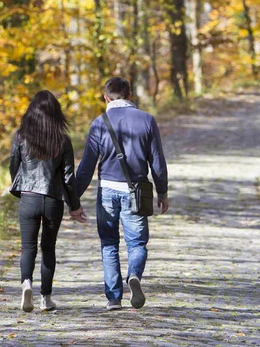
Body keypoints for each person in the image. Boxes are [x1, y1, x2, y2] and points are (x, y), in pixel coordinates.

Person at [76, 77, 169, 310]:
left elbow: (86, 166)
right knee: (137, 243)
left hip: (107, 189)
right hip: (136, 191)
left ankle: (113, 298)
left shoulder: (99, 123)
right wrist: (162, 192)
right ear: (130, 96)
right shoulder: (147, 120)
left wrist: (73, 198)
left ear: (106, 98)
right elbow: (157, 161)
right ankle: (134, 275)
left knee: (109, 243)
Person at [9, 90, 87, 313]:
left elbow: (13, 167)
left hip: (29, 198)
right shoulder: (62, 139)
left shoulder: (20, 136)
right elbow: (68, 178)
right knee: (48, 248)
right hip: (53, 200)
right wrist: (75, 206)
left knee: (28, 247)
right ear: (56, 113)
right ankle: (46, 299)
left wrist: (22, 188)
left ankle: (26, 284)